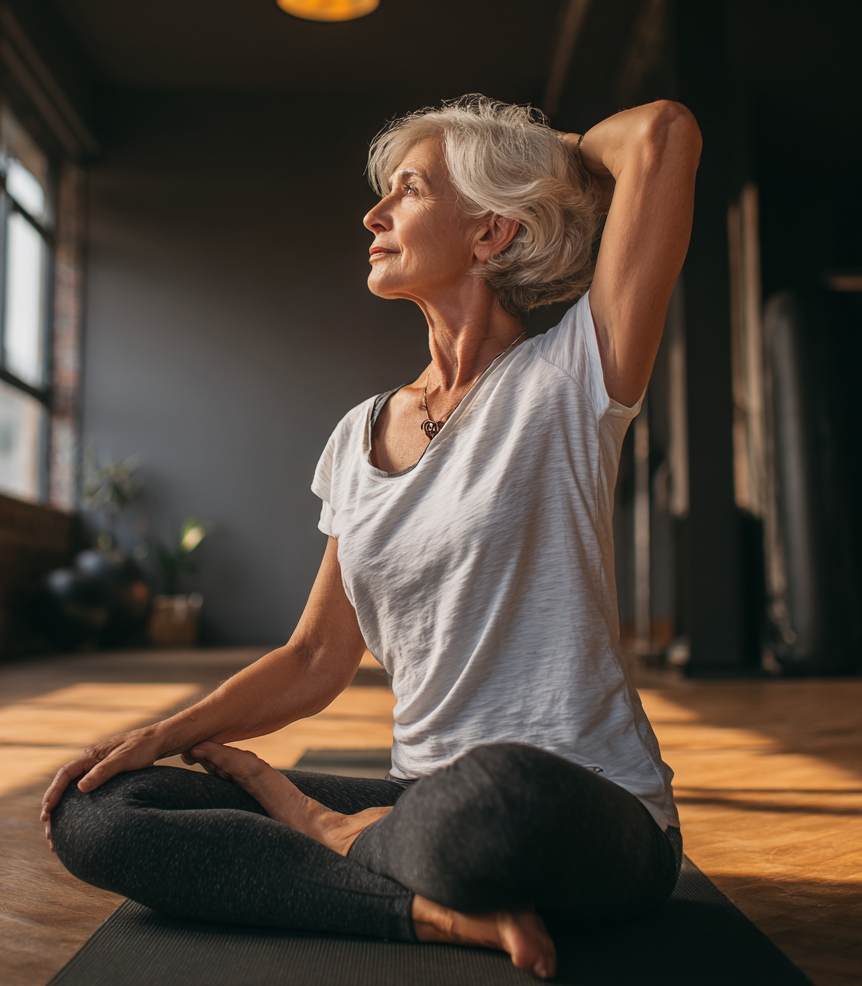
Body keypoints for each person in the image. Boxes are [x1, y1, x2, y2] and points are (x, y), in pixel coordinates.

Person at [41, 95, 701, 980]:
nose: (373, 214)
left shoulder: (571, 375)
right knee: (101, 808)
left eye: (411, 190)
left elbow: (663, 134)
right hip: (418, 802)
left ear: (490, 234)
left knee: (495, 796)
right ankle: (418, 907)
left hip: (571, 808)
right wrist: (161, 735)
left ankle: (335, 840)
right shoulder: (358, 435)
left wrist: (518, 155)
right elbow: (316, 657)